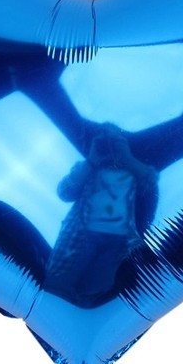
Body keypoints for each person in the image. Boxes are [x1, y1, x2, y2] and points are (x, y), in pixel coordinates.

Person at [44, 123, 158, 307]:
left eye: (114, 141)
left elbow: (150, 182)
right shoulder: (86, 168)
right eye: (104, 141)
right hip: (78, 238)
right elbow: (64, 192)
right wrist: (91, 161)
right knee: (56, 289)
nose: (109, 146)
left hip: (117, 244)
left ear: (124, 142)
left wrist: (126, 157)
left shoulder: (133, 171)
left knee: (93, 297)